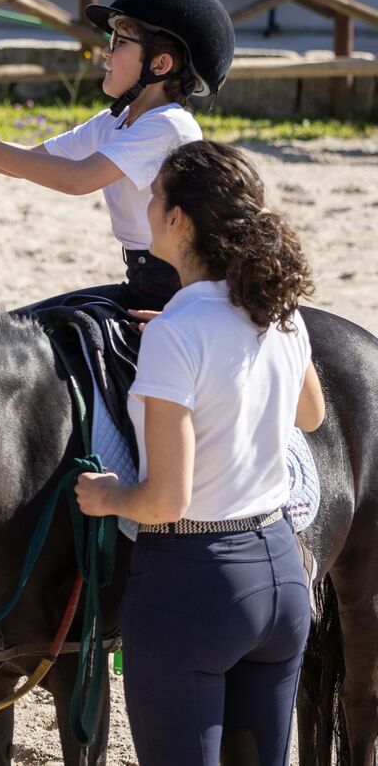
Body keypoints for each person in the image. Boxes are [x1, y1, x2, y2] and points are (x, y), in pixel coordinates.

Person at [74, 140, 326, 766]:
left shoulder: (178, 334)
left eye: (154, 195)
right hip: (281, 575)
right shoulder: (280, 313)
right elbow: (311, 415)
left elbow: (164, 501)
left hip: (194, 586)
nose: (148, 205)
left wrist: (107, 497)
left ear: (178, 219)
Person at [0, 0, 236, 312]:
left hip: (177, 294)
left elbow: (76, 179)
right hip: (142, 283)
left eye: (120, 42)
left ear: (159, 64)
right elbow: (28, 161)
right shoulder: (114, 121)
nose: (105, 52)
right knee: (22, 325)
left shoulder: (168, 125)